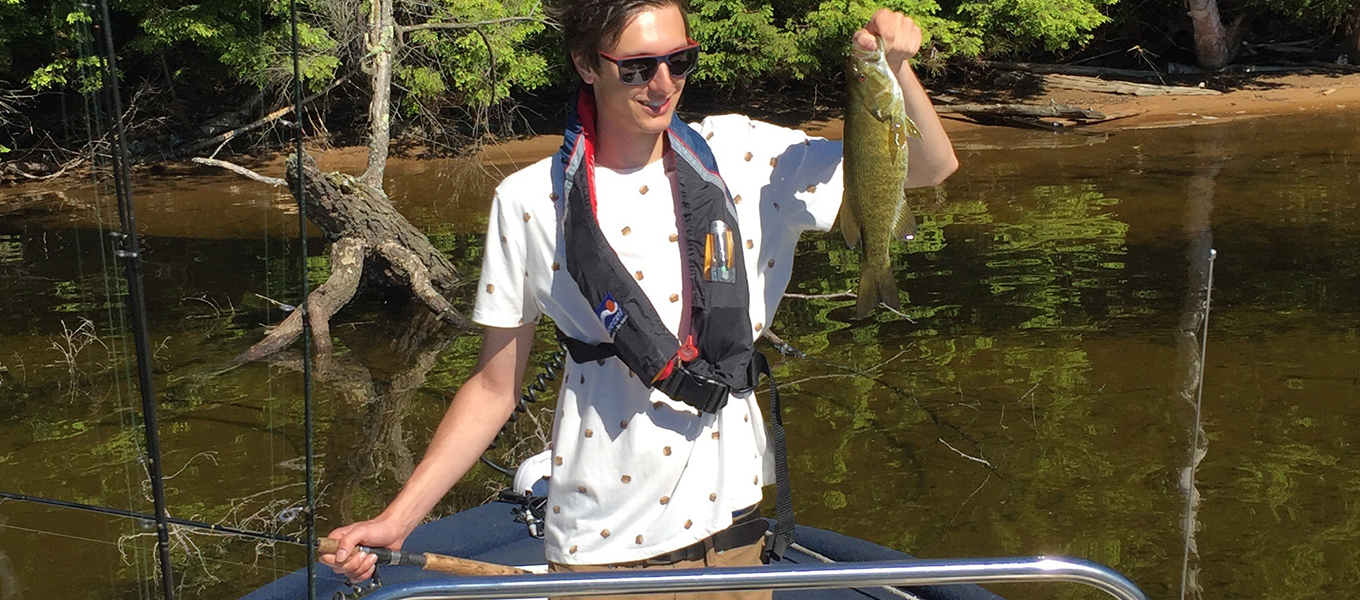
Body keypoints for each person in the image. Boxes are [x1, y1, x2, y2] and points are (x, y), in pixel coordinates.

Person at [323, 0, 956, 595]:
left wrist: (895, 70)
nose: (663, 84)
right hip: (604, 534)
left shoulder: (743, 154)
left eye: (679, 61)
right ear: (585, 64)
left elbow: (929, 167)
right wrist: (398, 519)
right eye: (636, 67)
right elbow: (494, 386)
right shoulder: (527, 202)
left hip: (732, 519)